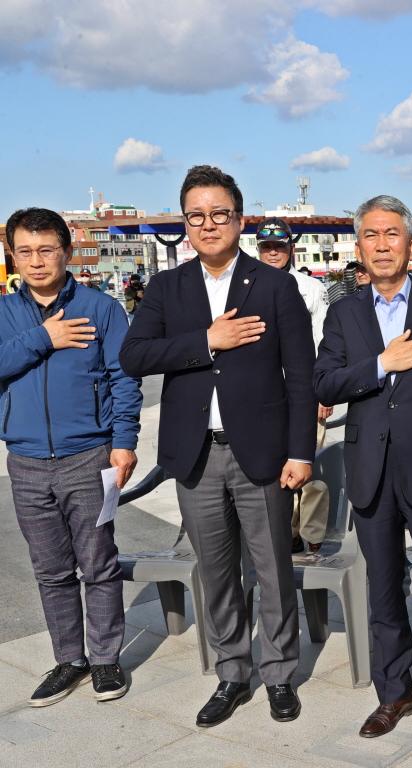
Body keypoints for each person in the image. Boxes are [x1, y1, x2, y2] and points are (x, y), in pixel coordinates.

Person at [120, 165, 316, 728]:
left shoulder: (275, 285)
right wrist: (205, 341)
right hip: (196, 454)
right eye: (196, 216)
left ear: (240, 218)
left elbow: (300, 376)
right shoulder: (167, 287)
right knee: (216, 569)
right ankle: (233, 672)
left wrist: (300, 451)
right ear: (186, 223)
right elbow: (135, 356)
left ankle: (279, 672)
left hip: (262, 453)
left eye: (220, 214)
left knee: (273, 566)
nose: (208, 225)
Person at [314, 194, 412, 740]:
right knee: (382, 587)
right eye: (371, 236)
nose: (382, 246)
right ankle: (394, 691)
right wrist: (383, 363)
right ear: (358, 246)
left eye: (392, 235)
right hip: (369, 470)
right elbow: (326, 384)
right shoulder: (343, 312)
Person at [1, 208, 142, 707]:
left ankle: (105, 660)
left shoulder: (102, 309)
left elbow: (125, 380)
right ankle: (69, 659)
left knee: (97, 564)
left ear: (65, 250)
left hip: (89, 456)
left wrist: (124, 443)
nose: (36, 261)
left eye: (46, 249)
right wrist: (45, 338)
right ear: (12, 255)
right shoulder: (4, 313)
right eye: (25, 251)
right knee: (50, 569)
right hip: (26, 461)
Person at [254, 217, 333, 557]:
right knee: (272, 472)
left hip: (304, 394)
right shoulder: (246, 286)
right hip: (264, 398)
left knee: (308, 470)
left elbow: (323, 344)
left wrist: (322, 394)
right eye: (266, 247)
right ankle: (285, 536)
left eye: (279, 246)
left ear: (291, 248)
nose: (273, 253)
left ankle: (312, 535)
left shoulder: (311, 288)